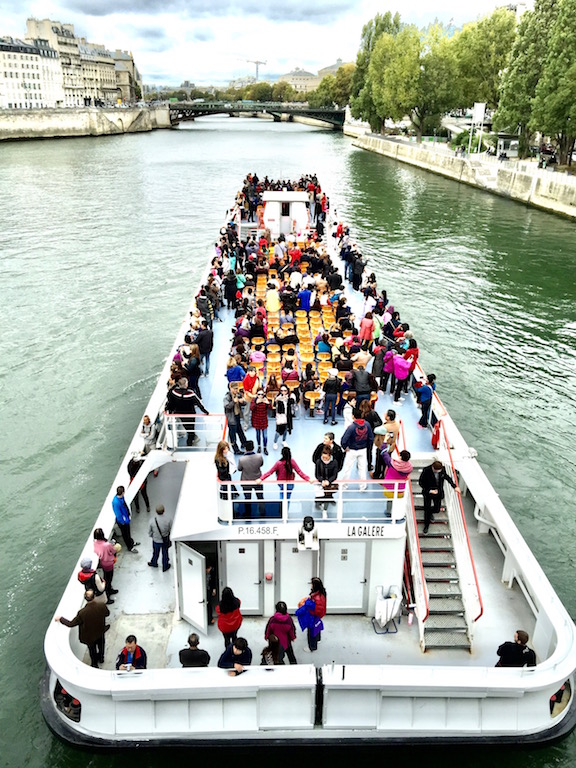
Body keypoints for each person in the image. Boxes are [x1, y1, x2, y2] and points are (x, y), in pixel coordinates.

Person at [55, 590, 110, 668]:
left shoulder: (82, 613)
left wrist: (61, 619)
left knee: (92, 650)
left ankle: (94, 664)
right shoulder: (102, 605)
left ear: (85, 598)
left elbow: (71, 624)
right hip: (100, 631)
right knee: (101, 645)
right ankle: (101, 658)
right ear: (94, 596)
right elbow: (107, 613)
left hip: (89, 636)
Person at [419, 458, 461, 534]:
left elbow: (447, 478)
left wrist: (455, 486)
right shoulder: (426, 470)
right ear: (433, 468)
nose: (438, 472)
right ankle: (426, 525)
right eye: (436, 471)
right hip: (428, 493)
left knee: (437, 509)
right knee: (427, 510)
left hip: (438, 493)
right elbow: (421, 482)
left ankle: (430, 512)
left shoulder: (442, 470)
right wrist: (430, 490)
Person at [166, 377, 209, 446]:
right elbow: (199, 403)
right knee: (191, 428)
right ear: (186, 385)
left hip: (180, 414)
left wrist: (167, 409)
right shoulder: (190, 393)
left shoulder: (174, 392)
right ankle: (189, 442)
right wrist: (206, 412)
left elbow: (170, 402)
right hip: (190, 414)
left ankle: (192, 437)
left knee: (187, 426)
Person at [340, 412, 374, 491]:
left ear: (353, 416)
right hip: (363, 450)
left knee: (347, 469)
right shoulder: (367, 425)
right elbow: (371, 438)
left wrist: (345, 447)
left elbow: (344, 440)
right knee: (362, 469)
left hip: (352, 450)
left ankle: (344, 486)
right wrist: (367, 446)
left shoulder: (351, 427)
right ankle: (363, 486)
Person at [237, 440, 264, 516]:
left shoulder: (242, 459)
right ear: (253, 447)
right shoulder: (259, 457)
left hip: (246, 481)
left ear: (245, 448)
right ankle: (262, 512)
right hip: (257, 480)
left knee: (247, 498)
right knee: (260, 497)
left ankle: (248, 513)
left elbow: (239, 469)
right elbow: (261, 464)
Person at [93, 528, 119, 603]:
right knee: (108, 579)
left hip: (102, 562)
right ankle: (107, 595)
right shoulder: (106, 545)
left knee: (106, 577)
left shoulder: (95, 543)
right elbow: (113, 550)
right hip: (109, 563)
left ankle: (109, 590)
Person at [112, 485, 139, 553]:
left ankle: (131, 542)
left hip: (126, 519)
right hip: (123, 522)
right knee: (125, 534)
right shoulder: (116, 502)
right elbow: (118, 514)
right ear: (123, 492)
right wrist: (123, 521)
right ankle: (130, 547)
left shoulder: (120, 499)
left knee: (128, 533)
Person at [302, 577, 327, 652]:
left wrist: (308, 605)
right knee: (317, 625)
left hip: (313, 615)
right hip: (318, 616)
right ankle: (318, 639)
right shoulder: (321, 593)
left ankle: (312, 647)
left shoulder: (317, 597)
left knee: (311, 630)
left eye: (312, 584)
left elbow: (317, 609)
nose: (311, 585)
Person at [223, 382, 247, 454]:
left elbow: (244, 403)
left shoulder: (238, 394)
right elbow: (227, 406)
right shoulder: (227, 397)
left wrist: (242, 401)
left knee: (240, 431)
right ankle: (236, 450)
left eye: (237, 388)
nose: (236, 390)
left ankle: (244, 443)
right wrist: (234, 402)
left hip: (237, 416)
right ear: (231, 388)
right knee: (232, 435)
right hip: (231, 418)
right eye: (235, 389)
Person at [148, 503, 172, 572]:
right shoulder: (168, 520)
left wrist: (153, 536)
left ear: (156, 511)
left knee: (155, 553)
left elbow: (150, 532)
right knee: (165, 553)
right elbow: (171, 529)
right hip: (165, 540)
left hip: (156, 540)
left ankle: (154, 563)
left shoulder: (152, 521)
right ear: (164, 510)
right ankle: (165, 566)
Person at [250, 389, 269, 455]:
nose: (260, 396)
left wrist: (268, 403)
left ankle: (265, 447)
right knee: (258, 435)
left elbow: (271, 408)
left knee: (265, 436)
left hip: (264, 420)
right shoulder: (254, 400)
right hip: (257, 420)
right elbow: (251, 408)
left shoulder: (265, 400)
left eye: (262, 394)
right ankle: (259, 446)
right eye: (259, 394)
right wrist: (256, 403)